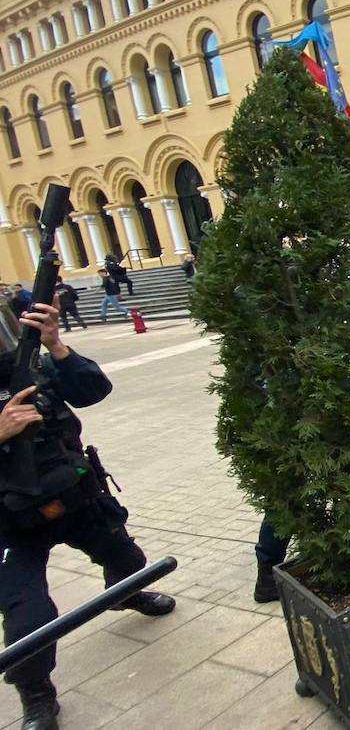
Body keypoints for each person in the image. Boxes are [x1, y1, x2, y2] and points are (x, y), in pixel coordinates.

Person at [0, 302, 175, 730]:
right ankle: (37, 693)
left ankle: (125, 594)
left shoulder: (34, 366)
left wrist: (57, 345)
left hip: (75, 497)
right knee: (29, 617)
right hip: (11, 520)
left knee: (132, 565)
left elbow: (94, 390)